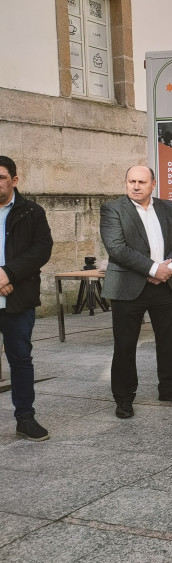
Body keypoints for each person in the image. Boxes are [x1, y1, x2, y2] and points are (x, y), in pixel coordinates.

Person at [100, 165, 172, 419]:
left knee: (167, 340)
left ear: (154, 184)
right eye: (131, 181)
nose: (136, 186)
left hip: (166, 285)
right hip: (129, 288)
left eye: (141, 181)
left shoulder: (167, 207)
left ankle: (170, 388)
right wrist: (153, 269)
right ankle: (124, 398)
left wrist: (168, 267)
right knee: (125, 345)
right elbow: (117, 248)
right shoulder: (113, 209)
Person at [0, 157, 53, 441]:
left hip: (18, 299)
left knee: (20, 358)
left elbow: (41, 250)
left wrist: (8, 274)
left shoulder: (32, 212)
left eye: (1, 177)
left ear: (14, 180)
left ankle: (25, 418)